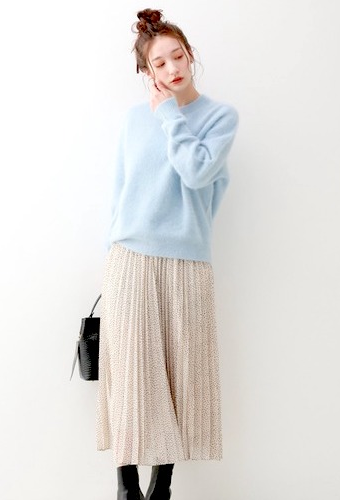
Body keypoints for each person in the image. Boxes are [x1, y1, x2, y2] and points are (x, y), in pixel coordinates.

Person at [95, 8, 239, 500]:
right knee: (129, 371)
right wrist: (110, 258)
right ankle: (125, 485)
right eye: (159, 63)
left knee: (179, 372)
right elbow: (120, 192)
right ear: (146, 71)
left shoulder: (219, 118)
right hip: (129, 258)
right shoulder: (133, 121)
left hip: (186, 262)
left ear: (190, 55)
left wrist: (170, 116)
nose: (172, 68)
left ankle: (163, 486)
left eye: (178, 56)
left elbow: (197, 172)